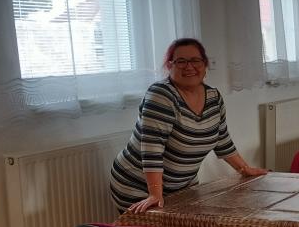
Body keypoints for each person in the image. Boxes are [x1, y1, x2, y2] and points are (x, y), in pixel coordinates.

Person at [111, 38, 266, 213]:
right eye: (181, 61)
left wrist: (244, 169)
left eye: (195, 60)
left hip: (183, 185)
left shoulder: (213, 97)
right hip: (138, 185)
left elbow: (221, 139)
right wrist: (155, 193)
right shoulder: (161, 96)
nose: (189, 66)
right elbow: (152, 149)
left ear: (205, 65)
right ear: (170, 65)